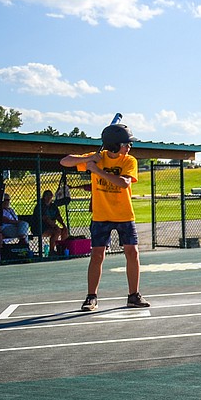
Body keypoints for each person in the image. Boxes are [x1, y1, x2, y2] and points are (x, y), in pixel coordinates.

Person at [60, 120, 149, 311]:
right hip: (101, 216)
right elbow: (65, 161)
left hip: (124, 214)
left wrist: (97, 171)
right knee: (97, 254)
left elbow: (124, 183)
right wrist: (89, 159)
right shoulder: (97, 158)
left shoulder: (129, 161)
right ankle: (91, 297)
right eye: (126, 144)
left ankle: (133, 295)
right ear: (116, 145)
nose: (129, 147)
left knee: (132, 253)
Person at [37, 189, 69, 254]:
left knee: (64, 231)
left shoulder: (53, 206)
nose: (49, 197)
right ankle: (51, 251)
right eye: (47, 195)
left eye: (50, 195)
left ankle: (62, 249)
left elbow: (58, 217)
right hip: (42, 228)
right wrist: (54, 225)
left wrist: (63, 225)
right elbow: (45, 218)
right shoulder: (40, 206)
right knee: (57, 231)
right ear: (44, 197)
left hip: (52, 227)